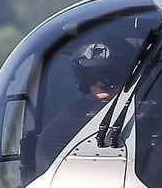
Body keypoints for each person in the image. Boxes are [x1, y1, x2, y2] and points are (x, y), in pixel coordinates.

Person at [34, 34, 135, 173]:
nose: (101, 81)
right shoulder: (68, 119)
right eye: (92, 74)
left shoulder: (144, 117)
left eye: (110, 73)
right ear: (81, 78)